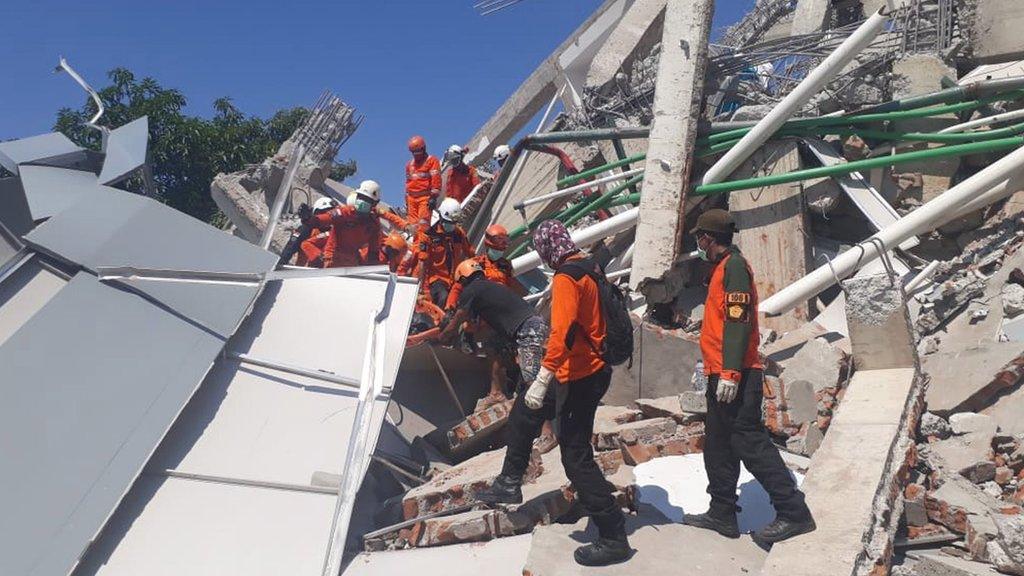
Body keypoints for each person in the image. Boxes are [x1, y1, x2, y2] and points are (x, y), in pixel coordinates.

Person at [476, 220, 630, 567]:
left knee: (575, 457)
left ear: (548, 248)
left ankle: (613, 534)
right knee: (523, 415)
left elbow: (561, 333)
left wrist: (543, 378)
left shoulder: (566, 278)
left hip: (579, 374)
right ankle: (508, 482)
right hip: (582, 369)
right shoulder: (589, 265)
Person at [682, 209, 816, 546]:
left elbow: (738, 322)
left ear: (707, 238)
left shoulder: (735, 268)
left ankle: (794, 513)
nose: (698, 242)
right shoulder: (720, 269)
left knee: (748, 442)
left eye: (699, 236)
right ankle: (722, 512)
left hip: (737, 375)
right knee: (718, 444)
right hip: (720, 373)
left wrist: (730, 372)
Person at [437, 258, 549, 407]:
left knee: (531, 379)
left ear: (463, 279)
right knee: (493, 346)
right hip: (528, 326)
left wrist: (443, 336)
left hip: (527, 328)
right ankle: (496, 393)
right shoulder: (490, 287)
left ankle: (546, 428)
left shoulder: (472, 290)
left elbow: (459, 317)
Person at [312, 180, 407, 268]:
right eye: (360, 197)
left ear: (374, 203)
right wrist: (311, 219)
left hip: (351, 264)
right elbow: (325, 219)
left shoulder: (373, 222)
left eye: (366, 199)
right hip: (332, 260)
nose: (362, 202)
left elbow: (373, 253)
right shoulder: (345, 212)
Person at [399, 197, 474, 307]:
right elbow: (423, 265)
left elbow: (470, 252)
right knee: (443, 298)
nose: (452, 226)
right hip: (437, 280)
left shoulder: (458, 234)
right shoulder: (429, 236)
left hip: (455, 279)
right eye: (449, 223)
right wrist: (423, 290)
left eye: (454, 223)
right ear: (441, 218)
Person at [405, 135, 442, 225]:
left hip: (424, 199)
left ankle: (423, 238)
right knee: (412, 226)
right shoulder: (409, 165)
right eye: (413, 152)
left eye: (417, 152)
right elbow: (408, 183)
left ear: (423, 149)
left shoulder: (432, 161)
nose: (415, 154)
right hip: (411, 200)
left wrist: (433, 197)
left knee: (423, 225)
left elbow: (436, 179)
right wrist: (406, 199)